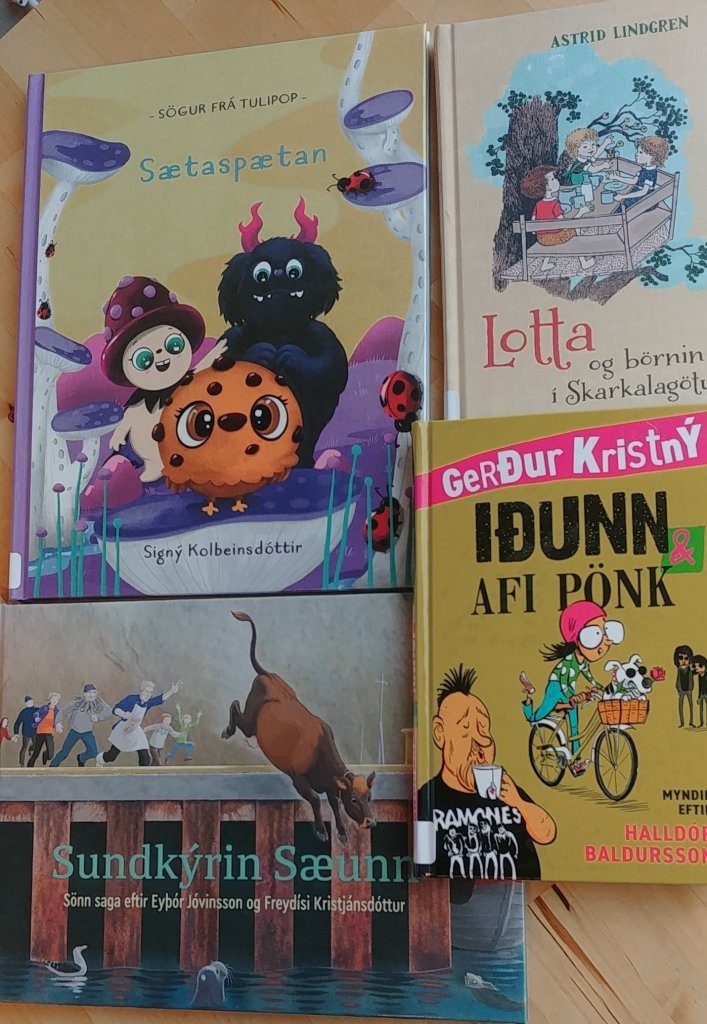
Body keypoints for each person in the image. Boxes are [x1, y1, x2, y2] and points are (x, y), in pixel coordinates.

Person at [417, 664, 556, 880]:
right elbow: (423, 868)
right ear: (439, 733)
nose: (481, 740)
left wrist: (519, 803)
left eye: (483, 728)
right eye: (465, 727)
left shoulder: (507, 791)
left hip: (516, 891)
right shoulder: (428, 798)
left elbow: (547, 834)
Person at [522, 600, 624, 776]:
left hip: (568, 690)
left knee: (575, 729)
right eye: (594, 635)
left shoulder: (583, 662)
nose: (604, 642)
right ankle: (529, 696)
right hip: (556, 687)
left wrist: (602, 688)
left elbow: (589, 677)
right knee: (536, 717)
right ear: (577, 639)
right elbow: (564, 682)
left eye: (606, 631)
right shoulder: (569, 661)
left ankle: (576, 761)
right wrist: (573, 696)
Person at [97, 680, 180, 767]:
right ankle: (100, 759)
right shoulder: (131, 699)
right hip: (124, 729)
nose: (148, 694)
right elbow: (116, 709)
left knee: (144, 755)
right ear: (141, 691)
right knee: (112, 755)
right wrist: (124, 714)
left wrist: (171, 691)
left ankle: (143, 773)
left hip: (135, 729)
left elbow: (160, 699)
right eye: (147, 691)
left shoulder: (148, 702)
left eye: (150, 692)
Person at [50, 684, 113, 767]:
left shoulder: (98, 701)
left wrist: (98, 717)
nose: (92, 695)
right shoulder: (77, 701)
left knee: (94, 753)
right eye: (90, 692)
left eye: (94, 692)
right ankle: (52, 767)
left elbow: (109, 711)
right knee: (64, 752)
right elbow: (63, 710)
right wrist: (58, 723)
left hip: (87, 732)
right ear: (85, 693)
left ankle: (81, 758)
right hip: (75, 731)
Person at [616, 136, 669, 210]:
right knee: (620, 204)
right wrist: (617, 178)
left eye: (641, 152)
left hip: (646, 200)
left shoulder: (650, 173)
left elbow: (643, 192)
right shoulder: (644, 169)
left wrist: (623, 196)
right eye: (637, 152)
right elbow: (633, 181)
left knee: (622, 206)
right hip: (638, 195)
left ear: (653, 156)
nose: (636, 154)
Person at [27, 692, 60, 767]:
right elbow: (36, 714)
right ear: (50, 700)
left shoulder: (56, 711)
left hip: (49, 732)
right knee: (36, 753)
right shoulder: (44, 708)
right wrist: (37, 718)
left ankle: (45, 754)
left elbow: (58, 720)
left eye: (56, 699)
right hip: (40, 731)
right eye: (53, 699)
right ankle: (29, 768)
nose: (54, 701)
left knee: (50, 755)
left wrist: (58, 725)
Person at [674, 645, 695, 728]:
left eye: (686, 658)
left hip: (689, 690)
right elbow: (678, 680)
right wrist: (678, 689)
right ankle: (682, 722)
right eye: (681, 658)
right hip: (681, 690)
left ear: (689, 659)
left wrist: (691, 689)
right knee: (680, 706)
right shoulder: (679, 669)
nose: (683, 660)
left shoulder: (690, 669)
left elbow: (691, 680)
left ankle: (691, 722)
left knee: (691, 706)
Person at [13, 696, 37, 768]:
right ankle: (22, 763)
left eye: (31, 701)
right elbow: (17, 723)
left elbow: (45, 712)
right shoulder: (23, 712)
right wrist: (16, 733)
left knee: (36, 747)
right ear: (26, 703)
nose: (30, 703)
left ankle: (31, 748)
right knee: (24, 748)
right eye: (28, 702)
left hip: (35, 732)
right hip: (26, 733)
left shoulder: (37, 710)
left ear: (33, 701)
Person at [693, 655, 707, 728]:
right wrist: (699, 697)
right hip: (701, 694)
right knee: (701, 709)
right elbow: (699, 686)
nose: (697, 668)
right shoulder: (699, 676)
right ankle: (701, 723)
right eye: (695, 666)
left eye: (700, 666)